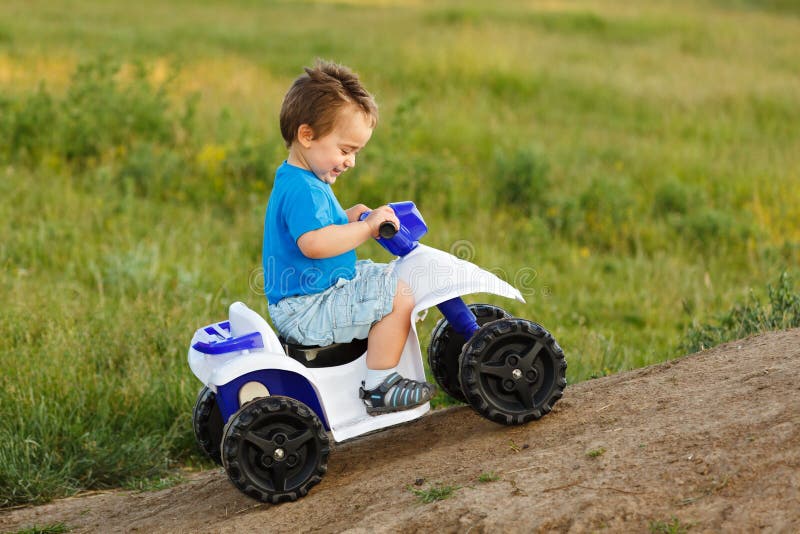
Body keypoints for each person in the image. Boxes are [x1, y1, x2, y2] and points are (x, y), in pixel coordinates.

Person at [262, 60, 434, 414]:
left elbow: (324, 227)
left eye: (355, 152)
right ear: (306, 135)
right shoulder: (303, 189)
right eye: (345, 150)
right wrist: (367, 228)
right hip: (308, 308)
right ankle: (379, 387)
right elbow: (314, 243)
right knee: (398, 293)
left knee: (387, 275)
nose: (351, 161)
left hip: (312, 296)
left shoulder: (304, 179)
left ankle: (382, 363)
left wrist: (351, 216)